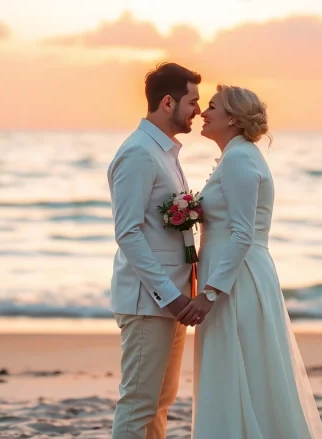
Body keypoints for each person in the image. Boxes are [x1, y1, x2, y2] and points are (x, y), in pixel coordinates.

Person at [177, 84, 322, 438]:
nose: (203, 112)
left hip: (237, 281)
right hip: (233, 274)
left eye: (211, 106)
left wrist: (209, 294)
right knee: (237, 370)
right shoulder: (236, 156)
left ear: (232, 117)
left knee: (238, 370)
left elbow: (243, 234)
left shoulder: (241, 159)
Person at [106, 62, 202, 439]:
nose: (197, 109)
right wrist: (171, 297)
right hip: (150, 301)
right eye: (192, 101)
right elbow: (127, 233)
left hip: (171, 298)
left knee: (160, 401)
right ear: (167, 102)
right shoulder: (138, 154)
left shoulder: (164, 152)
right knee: (138, 403)